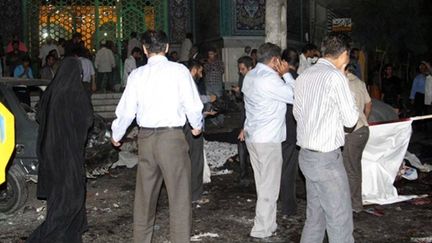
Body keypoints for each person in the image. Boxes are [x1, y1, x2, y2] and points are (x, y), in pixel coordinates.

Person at [111, 30, 203, 243]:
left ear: (144, 49)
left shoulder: (137, 75)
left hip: (146, 140)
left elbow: (126, 110)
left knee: (145, 198)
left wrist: (117, 134)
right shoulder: (179, 71)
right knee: (179, 196)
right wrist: (196, 125)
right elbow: (192, 103)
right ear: (168, 47)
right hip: (172, 139)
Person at [293, 32, 358, 243]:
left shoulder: (304, 76)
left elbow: (297, 114)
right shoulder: (335, 77)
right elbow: (350, 120)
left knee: (315, 217)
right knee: (340, 220)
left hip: (306, 156)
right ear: (345, 54)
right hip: (327, 160)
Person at [27, 57, 94, 243]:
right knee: (70, 196)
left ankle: (71, 234)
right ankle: (48, 235)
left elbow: (39, 115)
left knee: (58, 195)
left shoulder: (51, 91)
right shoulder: (77, 93)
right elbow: (88, 120)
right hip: (69, 153)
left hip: (50, 152)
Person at [242, 42, 294, 239]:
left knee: (263, 184)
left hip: (253, 137)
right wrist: (287, 74)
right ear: (274, 60)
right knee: (269, 187)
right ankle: (261, 229)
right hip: (268, 140)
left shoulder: (250, 75)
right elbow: (295, 95)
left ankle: (269, 224)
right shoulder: (270, 79)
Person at [184, 59, 217, 203]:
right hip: (191, 127)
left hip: (182, 126)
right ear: (195, 69)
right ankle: (195, 195)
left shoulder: (180, 82)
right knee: (196, 161)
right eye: (200, 71)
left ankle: (185, 193)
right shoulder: (189, 83)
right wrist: (209, 99)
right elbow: (194, 104)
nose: (202, 75)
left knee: (186, 161)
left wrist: (204, 114)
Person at [343, 62, 372, 213]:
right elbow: (368, 104)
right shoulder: (360, 82)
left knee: (350, 169)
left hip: (352, 132)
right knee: (354, 167)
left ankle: (354, 205)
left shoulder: (343, 83)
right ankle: (354, 202)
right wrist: (364, 119)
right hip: (363, 130)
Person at [279, 47, 300, 218]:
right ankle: (288, 207)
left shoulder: (277, 80)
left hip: (278, 130)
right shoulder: (300, 81)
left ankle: (282, 202)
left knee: (281, 168)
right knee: (289, 171)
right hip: (293, 131)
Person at [232, 56, 254, 185]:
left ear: (250, 68)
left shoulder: (254, 79)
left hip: (251, 115)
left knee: (246, 143)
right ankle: (243, 172)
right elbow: (242, 97)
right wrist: (238, 92)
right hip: (244, 113)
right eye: (239, 69)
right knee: (242, 143)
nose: (240, 71)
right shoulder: (244, 77)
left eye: (242, 69)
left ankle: (246, 173)